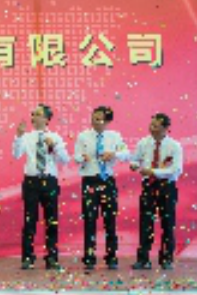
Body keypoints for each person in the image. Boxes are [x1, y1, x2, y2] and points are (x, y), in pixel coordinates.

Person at [13, 104, 70, 270]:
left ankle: (52, 258)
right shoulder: (26, 137)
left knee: (51, 220)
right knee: (29, 220)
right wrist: (18, 136)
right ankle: (27, 257)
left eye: (38, 114)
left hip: (49, 181)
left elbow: (65, 160)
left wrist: (54, 146)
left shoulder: (55, 137)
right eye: (33, 114)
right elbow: (16, 155)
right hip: (32, 182)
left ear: (46, 118)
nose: (34, 117)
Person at [73, 106, 130, 270]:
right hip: (90, 180)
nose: (96, 121)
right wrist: (81, 158)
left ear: (107, 121)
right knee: (89, 219)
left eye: (100, 119)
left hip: (107, 180)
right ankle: (89, 257)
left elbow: (126, 154)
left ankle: (111, 256)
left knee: (110, 219)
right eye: (94, 118)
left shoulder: (114, 136)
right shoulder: (83, 136)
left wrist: (114, 154)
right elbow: (76, 157)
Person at [130, 113, 183, 271]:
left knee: (167, 223)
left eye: (156, 126)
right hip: (149, 186)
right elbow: (135, 159)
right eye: (151, 125)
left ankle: (166, 259)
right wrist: (134, 165)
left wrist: (153, 171)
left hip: (167, 186)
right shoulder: (143, 143)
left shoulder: (174, 146)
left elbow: (176, 169)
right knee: (146, 222)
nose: (152, 128)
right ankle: (143, 259)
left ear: (165, 128)